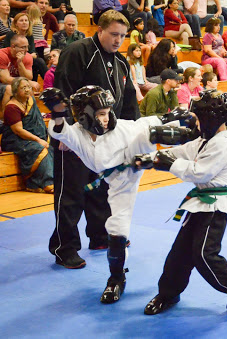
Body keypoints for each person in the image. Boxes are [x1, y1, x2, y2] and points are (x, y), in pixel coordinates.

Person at [42, 85, 194, 303]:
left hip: (134, 157)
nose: (105, 119)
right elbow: (60, 130)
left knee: (148, 133)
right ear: (85, 116)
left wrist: (172, 117)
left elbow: (145, 123)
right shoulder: (77, 133)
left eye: (107, 113)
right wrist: (57, 111)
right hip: (118, 181)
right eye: (100, 114)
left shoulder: (122, 128)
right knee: (117, 232)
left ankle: (195, 137)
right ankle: (116, 278)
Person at [133, 90, 227, 316]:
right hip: (199, 205)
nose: (197, 124)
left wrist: (168, 164)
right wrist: (149, 159)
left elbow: (200, 173)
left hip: (215, 208)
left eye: (199, 119)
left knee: (204, 255)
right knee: (179, 253)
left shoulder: (222, 144)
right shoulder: (204, 141)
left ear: (211, 120)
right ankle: (168, 293)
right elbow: (180, 151)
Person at [48, 10, 139, 269]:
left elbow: (129, 101)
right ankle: (64, 248)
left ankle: (100, 236)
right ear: (99, 29)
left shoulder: (121, 62)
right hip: (76, 137)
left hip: (107, 138)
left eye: (122, 35)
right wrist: (65, 131)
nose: (118, 40)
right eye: (113, 34)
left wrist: (132, 135)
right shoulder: (78, 52)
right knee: (71, 194)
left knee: (101, 189)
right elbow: (63, 91)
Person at [1, 77, 53, 193]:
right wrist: (38, 140)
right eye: (23, 88)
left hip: (32, 136)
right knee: (39, 149)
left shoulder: (31, 100)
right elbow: (18, 131)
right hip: (14, 140)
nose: (27, 90)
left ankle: (48, 181)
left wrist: (44, 136)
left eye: (28, 87)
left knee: (53, 145)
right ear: (15, 91)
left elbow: (38, 121)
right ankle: (46, 183)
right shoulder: (11, 107)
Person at [4, 13, 48, 83]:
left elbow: (33, 52)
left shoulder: (29, 35)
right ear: (16, 24)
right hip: (12, 60)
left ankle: (49, 81)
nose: (24, 22)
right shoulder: (11, 35)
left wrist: (28, 56)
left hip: (26, 58)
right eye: (21, 20)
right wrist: (28, 55)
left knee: (37, 62)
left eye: (26, 20)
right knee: (36, 61)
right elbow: (8, 51)